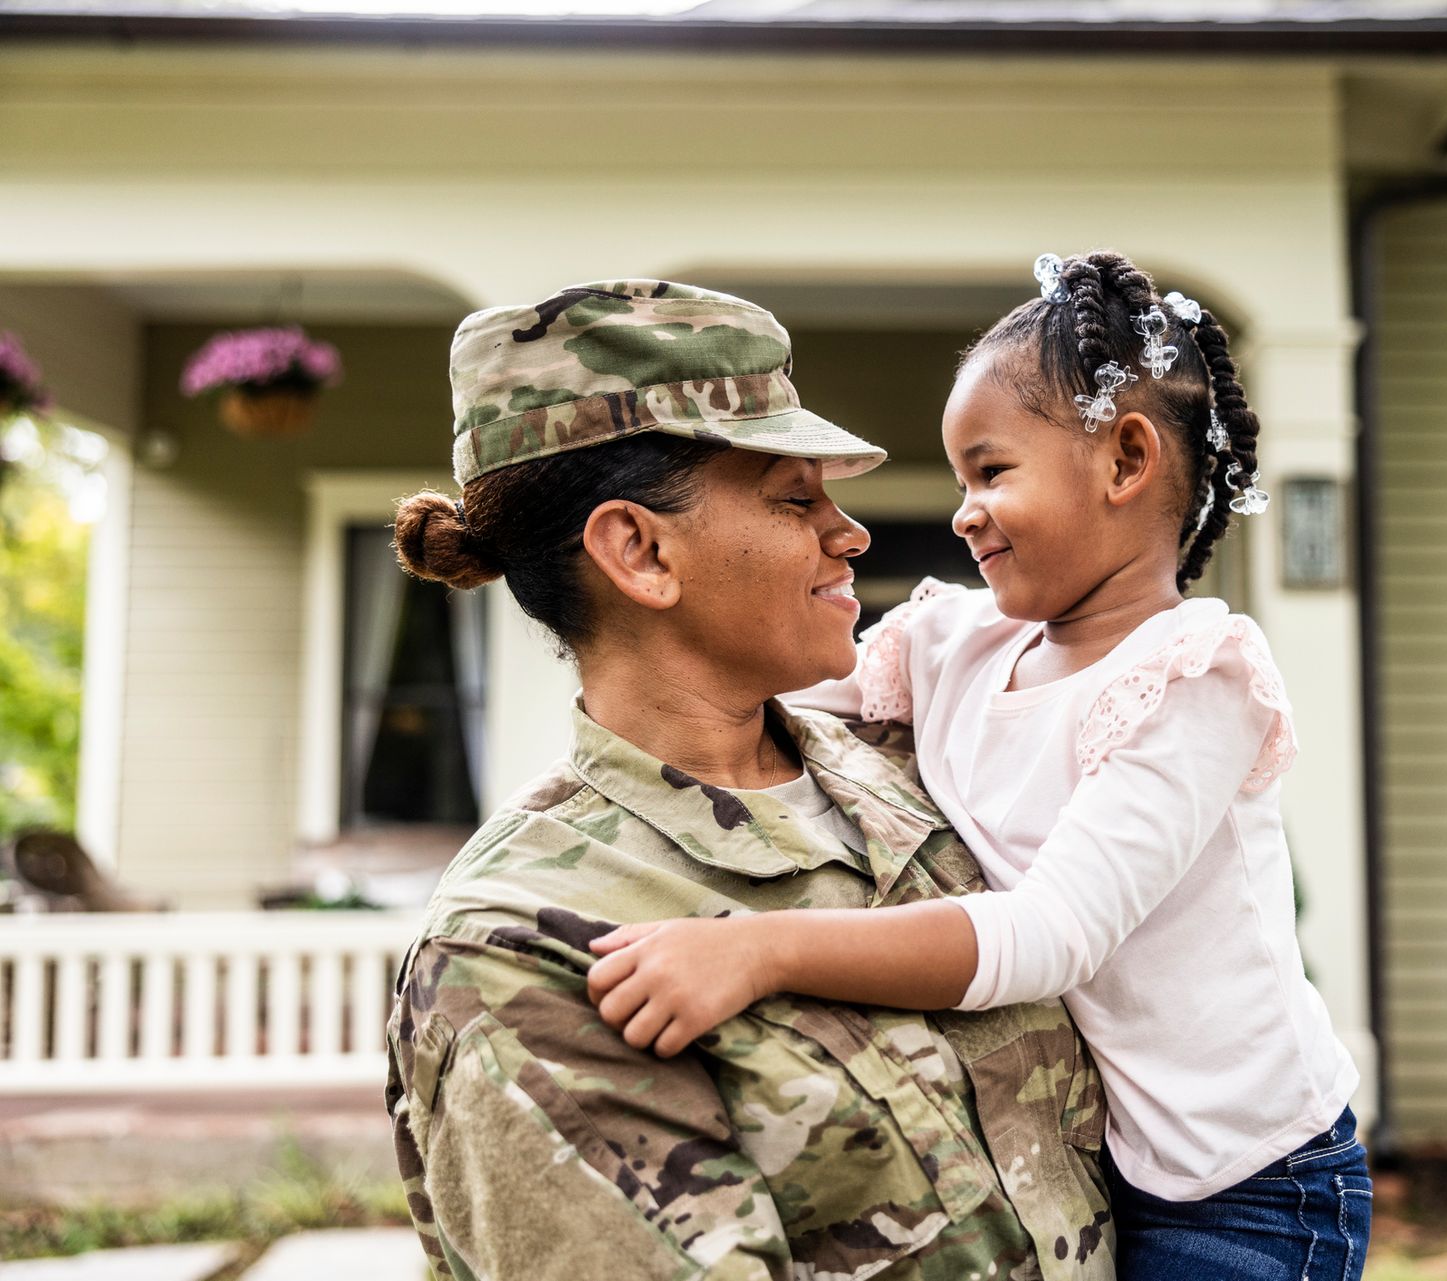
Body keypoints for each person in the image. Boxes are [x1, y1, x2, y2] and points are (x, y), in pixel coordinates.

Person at [586, 252, 1369, 1280]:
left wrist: (759, 951)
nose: (963, 512)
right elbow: (764, 704)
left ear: (1126, 462)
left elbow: (1050, 936)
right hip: (1104, 1162)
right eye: (962, 480)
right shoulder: (959, 643)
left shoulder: (1194, 681)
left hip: (1255, 1185)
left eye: (992, 473)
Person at [383, 280, 1114, 1281]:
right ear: (639, 551)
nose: (849, 534)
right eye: (795, 498)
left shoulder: (923, 777)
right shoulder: (520, 955)